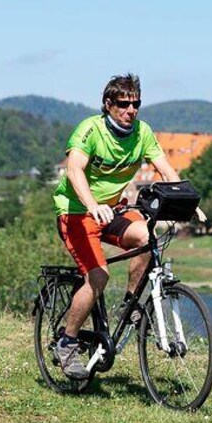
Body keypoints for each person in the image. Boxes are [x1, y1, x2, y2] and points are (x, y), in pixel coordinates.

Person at [52, 73, 186, 380]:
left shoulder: (142, 132)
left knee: (147, 237)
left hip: (110, 210)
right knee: (97, 276)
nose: (131, 110)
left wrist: (186, 200)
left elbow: (166, 170)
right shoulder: (91, 130)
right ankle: (67, 342)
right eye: (124, 105)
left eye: (136, 104)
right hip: (75, 212)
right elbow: (74, 170)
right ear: (108, 104)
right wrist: (90, 205)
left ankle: (131, 304)